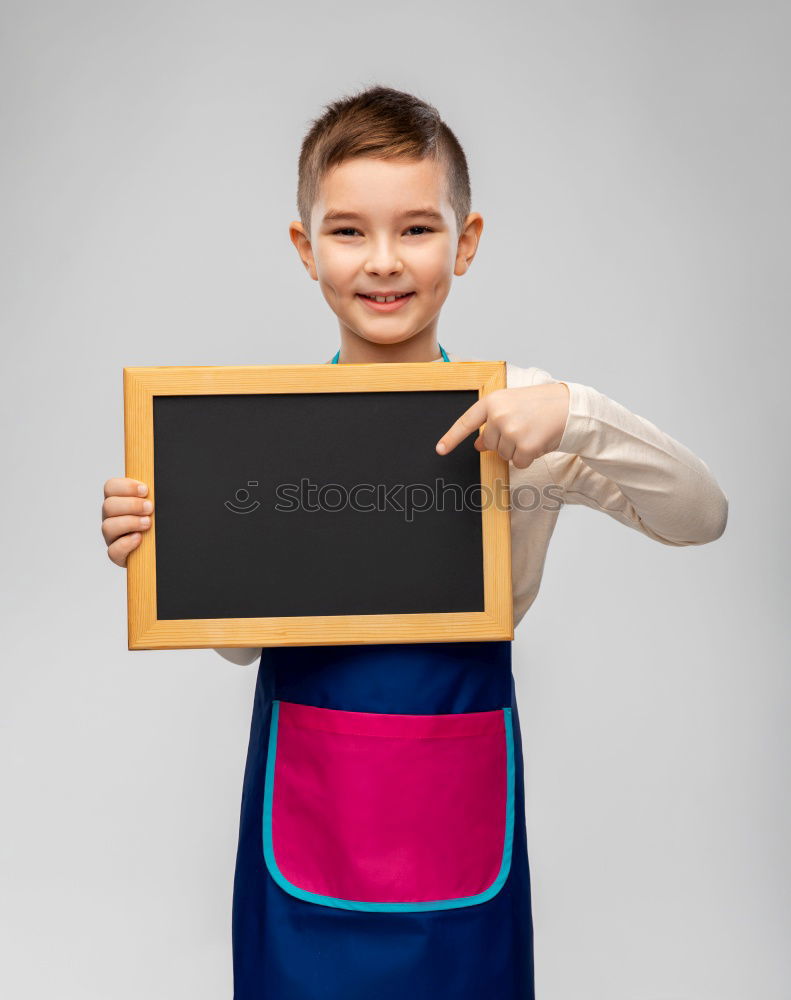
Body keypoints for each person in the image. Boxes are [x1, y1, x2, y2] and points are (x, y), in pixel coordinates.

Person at [100, 85, 728, 1000]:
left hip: (456, 812)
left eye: (418, 229)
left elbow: (699, 515)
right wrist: (167, 543)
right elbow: (240, 641)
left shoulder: (518, 424)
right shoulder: (261, 432)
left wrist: (577, 413)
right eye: (348, 231)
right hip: (304, 818)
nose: (383, 262)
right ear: (303, 247)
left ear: (465, 242)